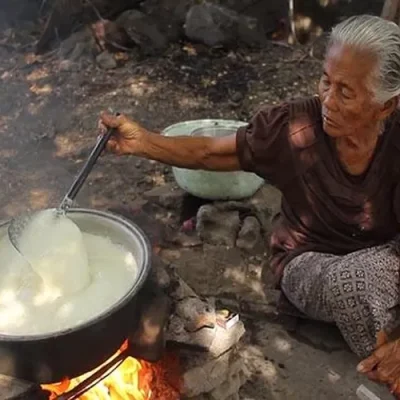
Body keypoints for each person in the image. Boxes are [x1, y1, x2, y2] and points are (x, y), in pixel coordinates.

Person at [100, 15, 400, 395]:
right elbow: (211, 153)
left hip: (387, 259)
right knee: (361, 281)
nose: (328, 99)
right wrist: (141, 141)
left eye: (346, 92)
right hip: (313, 265)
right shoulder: (295, 128)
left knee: (381, 270)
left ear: (386, 106)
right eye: (326, 80)